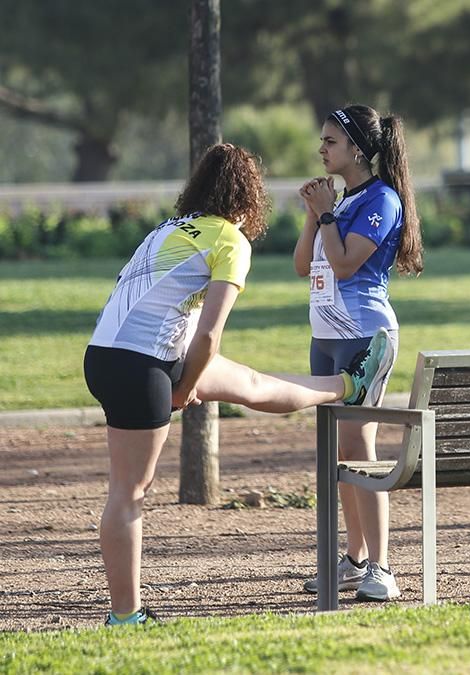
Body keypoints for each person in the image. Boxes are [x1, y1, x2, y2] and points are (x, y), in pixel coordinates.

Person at [84, 143, 394, 626]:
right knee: (129, 492)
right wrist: (185, 387)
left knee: (250, 383)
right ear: (250, 197)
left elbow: (151, 302)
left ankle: (346, 385)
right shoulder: (230, 240)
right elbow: (209, 332)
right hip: (140, 365)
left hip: (105, 354)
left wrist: (187, 377)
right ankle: (125, 616)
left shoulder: (168, 228)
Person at [293, 105, 423, 602]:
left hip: (364, 336)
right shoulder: (342, 201)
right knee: (341, 450)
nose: (322, 149)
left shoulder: (381, 199)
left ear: (357, 150)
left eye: (330, 141)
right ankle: (356, 558)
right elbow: (306, 264)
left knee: (360, 447)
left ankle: (382, 567)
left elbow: (346, 265)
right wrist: (315, 215)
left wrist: (326, 213)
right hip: (324, 336)